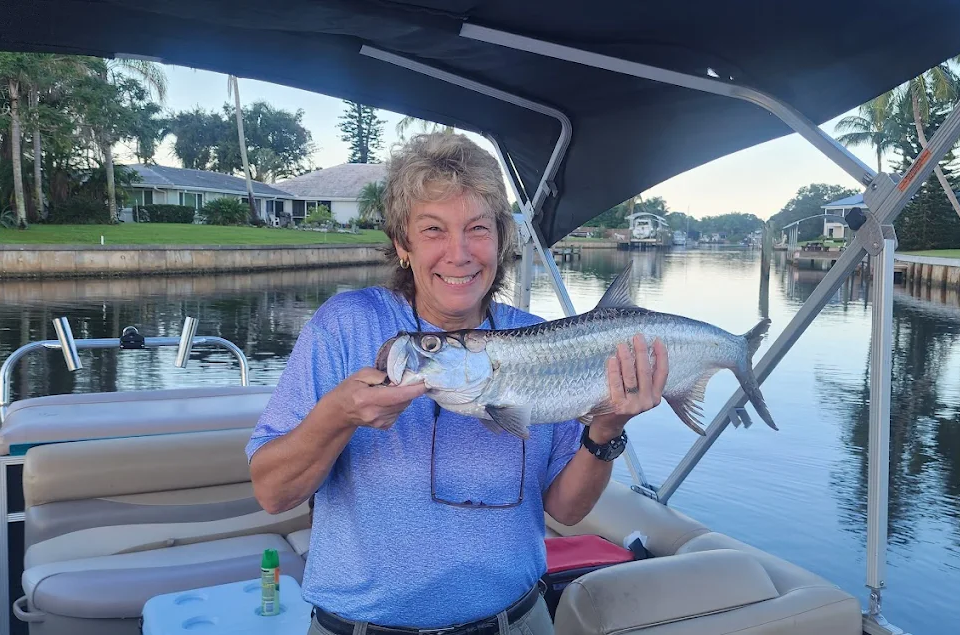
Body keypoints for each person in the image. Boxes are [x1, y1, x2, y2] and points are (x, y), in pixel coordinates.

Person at [246, 131, 668, 635]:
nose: (459, 253)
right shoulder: (346, 326)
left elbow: (565, 510)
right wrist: (338, 416)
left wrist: (605, 432)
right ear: (402, 244)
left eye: (477, 228)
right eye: (433, 230)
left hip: (514, 623)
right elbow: (273, 493)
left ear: (500, 240)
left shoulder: (539, 339)